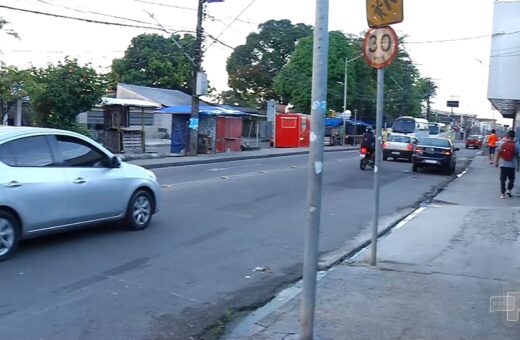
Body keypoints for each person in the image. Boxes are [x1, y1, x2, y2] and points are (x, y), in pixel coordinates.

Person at [495, 130, 519, 199]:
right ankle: (509, 190)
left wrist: (496, 162)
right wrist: (518, 165)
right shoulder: (516, 145)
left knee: (503, 180)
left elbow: (499, 153)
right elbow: (517, 156)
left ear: (507, 136)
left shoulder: (502, 144)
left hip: (503, 165)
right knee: (511, 178)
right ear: (514, 136)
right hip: (512, 165)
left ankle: (503, 194)